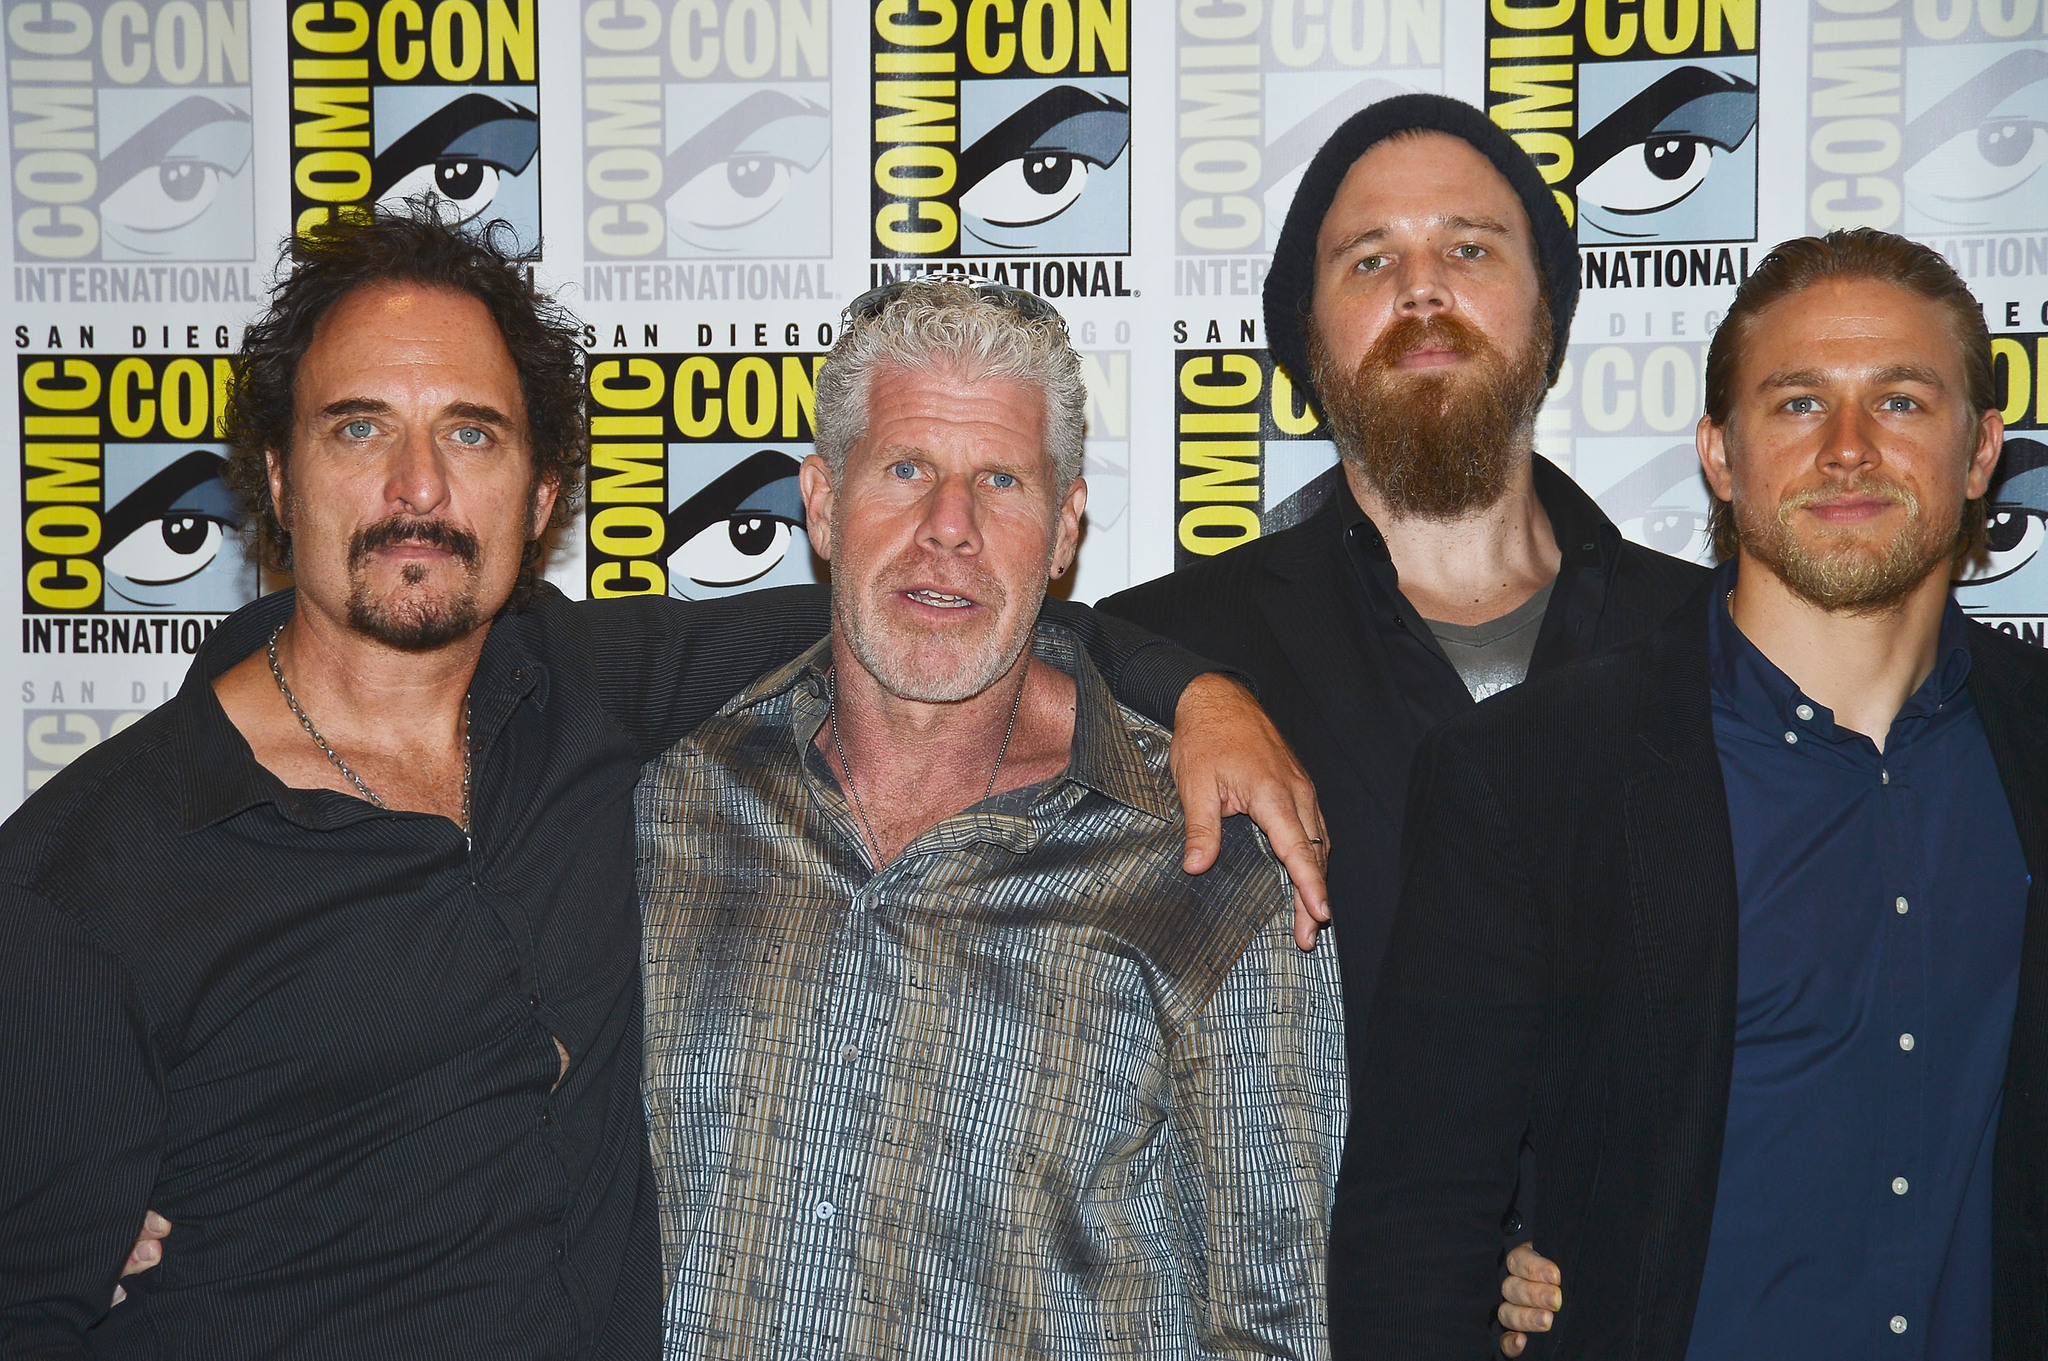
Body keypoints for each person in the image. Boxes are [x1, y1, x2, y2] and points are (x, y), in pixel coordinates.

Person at [0, 210, 1324, 1357]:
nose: (416, 487)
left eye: (470, 433)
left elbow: (951, 617)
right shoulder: (93, 871)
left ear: (542, 495)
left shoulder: (602, 710)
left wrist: (1204, 690)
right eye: (361, 431)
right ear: (280, 476)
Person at [1340, 229, 2048, 1359]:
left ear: (1979, 454)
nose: (1850, 450)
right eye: (1797, 403)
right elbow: (1412, 1234)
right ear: (1719, 455)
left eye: (1903, 403)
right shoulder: (1529, 773)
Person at [636, 280, 1346, 1357]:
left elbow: (1275, 1319)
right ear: (822, 503)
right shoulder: (669, 807)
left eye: (1000, 481)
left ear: (1063, 530)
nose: (949, 528)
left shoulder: (1210, 858)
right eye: (905, 468)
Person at [1095, 92, 1706, 1335]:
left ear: (1546, 311)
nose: (1421, 290)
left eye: (1469, 250)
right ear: (1303, 336)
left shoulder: (1713, 644)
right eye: (1368, 260)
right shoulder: (1162, 648)